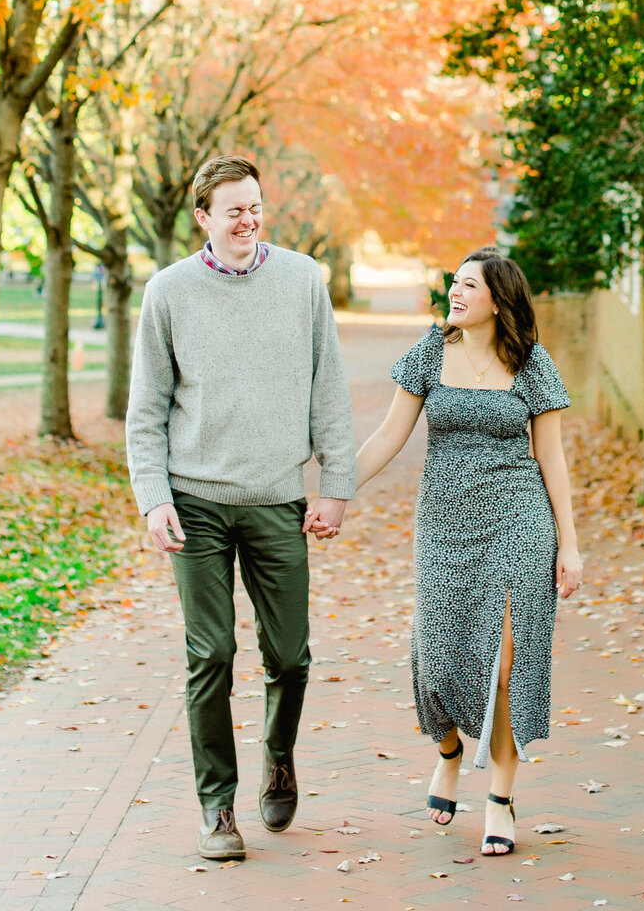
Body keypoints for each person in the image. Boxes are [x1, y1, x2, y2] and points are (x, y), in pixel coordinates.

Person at [125, 154, 357, 863]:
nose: (248, 221)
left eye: (255, 207)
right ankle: (217, 807)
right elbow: (146, 412)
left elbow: (329, 389)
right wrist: (153, 499)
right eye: (233, 210)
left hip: (277, 497)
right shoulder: (168, 292)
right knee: (212, 653)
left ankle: (278, 756)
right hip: (195, 502)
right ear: (203, 217)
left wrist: (336, 485)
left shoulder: (301, 281)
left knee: (290, 655)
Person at [346, 247, 582, 860]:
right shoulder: (429, 352)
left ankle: (501, 798)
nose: (455, 291)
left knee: (506, 662)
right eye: (453, 282)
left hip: (519, 520)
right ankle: (449, 752)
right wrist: (335, 489)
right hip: (445, 522)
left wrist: (571, 545)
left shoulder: (531, 364)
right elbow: (388, 436)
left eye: (469, 285)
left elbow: (552, 459)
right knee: (439, 655)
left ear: (499, 300)